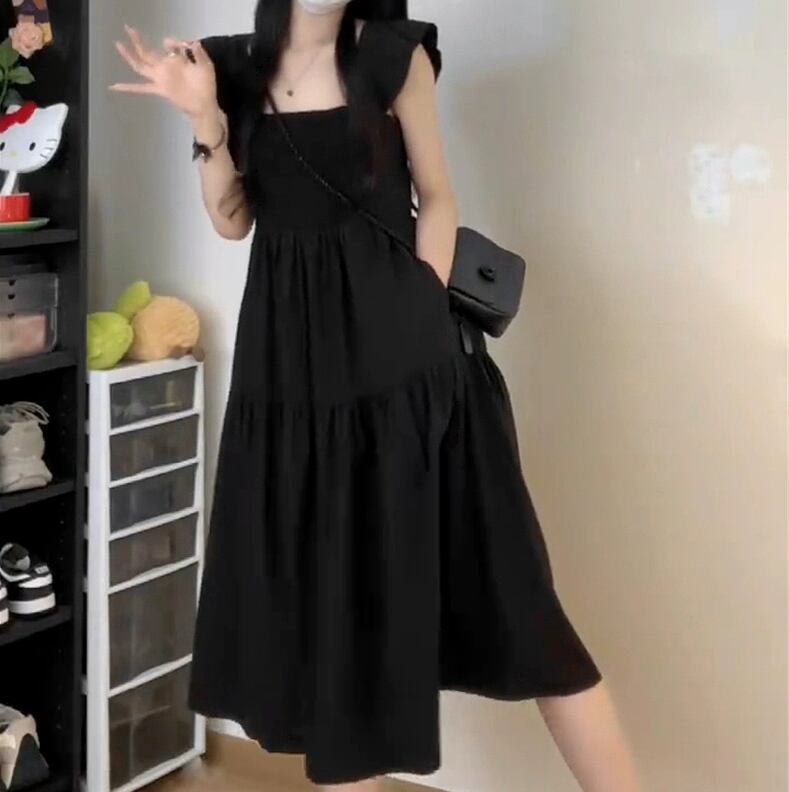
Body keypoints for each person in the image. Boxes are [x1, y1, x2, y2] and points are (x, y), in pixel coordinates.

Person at [111, 1, 642, 790]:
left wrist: (420, 314)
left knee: (520, 609)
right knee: (333, 627)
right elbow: (231, 221)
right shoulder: (227, 66)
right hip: (291, 383)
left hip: (410, 377)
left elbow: (438, 196)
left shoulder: (395, 56)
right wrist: (205, 122)